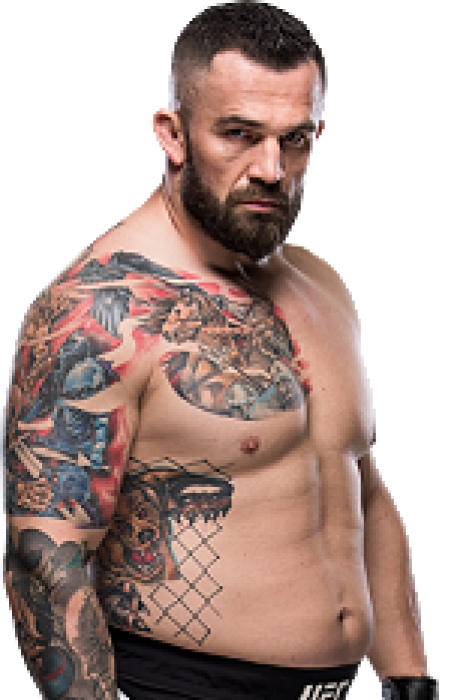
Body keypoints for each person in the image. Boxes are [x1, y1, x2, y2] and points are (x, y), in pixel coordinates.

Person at [3, 3, 437, 699]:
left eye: (294, 140)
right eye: (239, 134)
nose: (270, 168)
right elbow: (47, 561)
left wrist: (409, 678)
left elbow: (361, 488)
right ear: (172, 134)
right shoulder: (99, 311)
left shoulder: (320, 284)